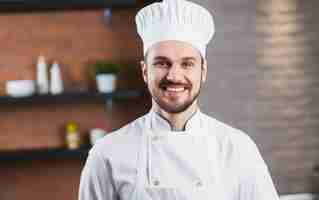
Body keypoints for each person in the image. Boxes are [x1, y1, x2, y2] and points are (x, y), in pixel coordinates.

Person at [78, 0, 279, 199]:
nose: (174, 75)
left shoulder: (238, 149)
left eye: (187, 64)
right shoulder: (106, 154)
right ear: (145, 71)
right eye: (162, 63)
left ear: (203, 71)